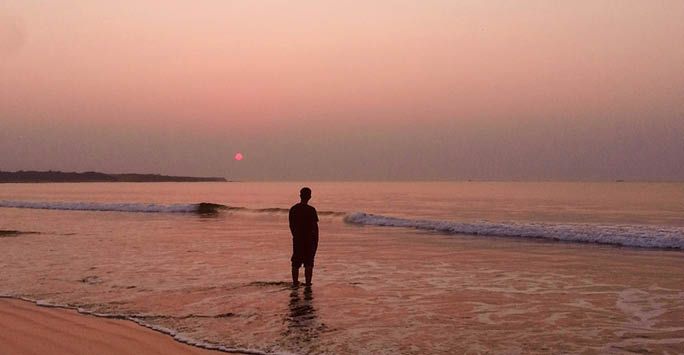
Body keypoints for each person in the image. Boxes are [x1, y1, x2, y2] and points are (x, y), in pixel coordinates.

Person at [289, 187, 319, 286]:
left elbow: (291, 225)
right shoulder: (311, 210)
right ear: (309, 197)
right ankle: (308, 283)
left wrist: (295, 235)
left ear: (300, 195)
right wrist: (316, 241)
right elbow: (315, 227)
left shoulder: (293, 209)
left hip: (297, 239)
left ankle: (295, 282)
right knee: (309, 262)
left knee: (295, 262)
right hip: (309, 240)